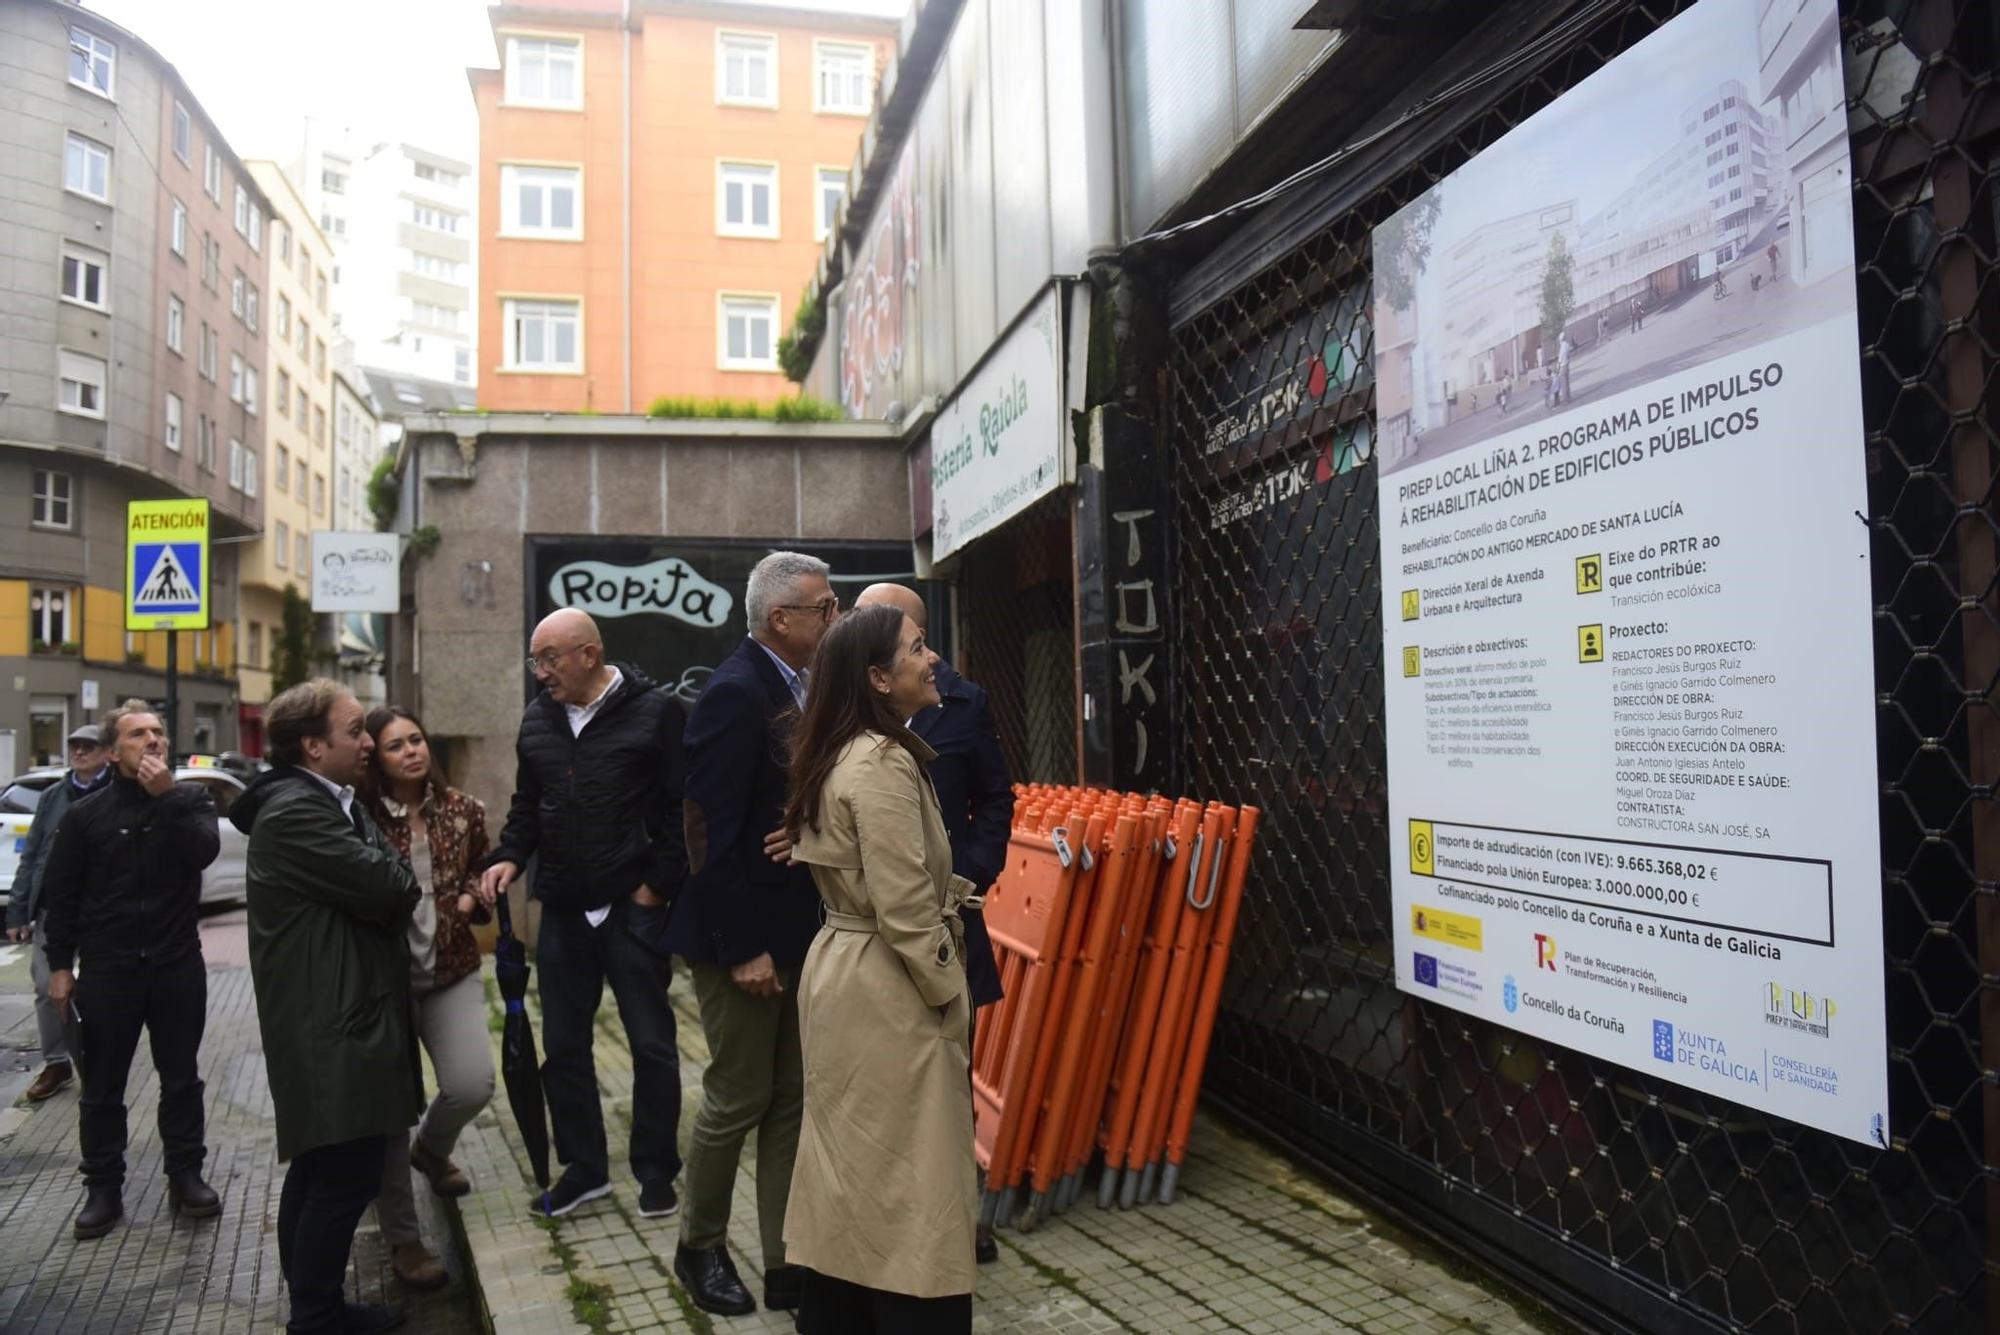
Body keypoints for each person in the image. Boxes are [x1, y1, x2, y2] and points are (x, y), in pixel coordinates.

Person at [783, 603, 979, 1332]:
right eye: (918, 647)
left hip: (846, 973)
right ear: (877, 676)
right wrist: (949, 998)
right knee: (913, 1193)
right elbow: (905, 908)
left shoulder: (842, 747)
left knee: (852, 1182)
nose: (932, 658)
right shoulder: (883, 762)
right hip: (887, 987)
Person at [668, 550, 838, 1318]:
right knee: (737, 1095)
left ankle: (786, 1259)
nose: (834, 617)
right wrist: (741, 947)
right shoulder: (735, 693)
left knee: (791, 1099)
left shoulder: (804, 684)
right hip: (740, 941)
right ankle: (698, 1245)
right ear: (781, 619)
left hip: (798, 933)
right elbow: (706, 829)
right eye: (824, 607)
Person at [479, 608, 686, 1221]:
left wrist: (655, 889)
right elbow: (527, 804)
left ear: (588, 656)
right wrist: (509, 855)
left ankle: (655, 1169)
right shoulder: (538, 719)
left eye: (549, 659)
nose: (540, 673)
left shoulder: (658, 713)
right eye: (535, 660)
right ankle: (586, 1169)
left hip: (632, 908)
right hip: (564, 909)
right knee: (564, 1047)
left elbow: (681, 811)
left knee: (652, 1045)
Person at [236, 679, 421, 1335]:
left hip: (337, 1016)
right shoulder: (297, 813)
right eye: (354, 731)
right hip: (331, 1024)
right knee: (340, 1175)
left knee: (320, 1170)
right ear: (314, 747)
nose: (369, 740)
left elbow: (384, 882)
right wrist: (383, 859)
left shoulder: (328, 801)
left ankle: (315, 1308)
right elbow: (395, 886)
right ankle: (315, 1316)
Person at [852, 583, 1013, 1265]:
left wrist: (971, 873)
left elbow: (997, 797)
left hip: (949, 921)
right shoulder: (847, 708)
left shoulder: (964, 702)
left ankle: (965, 1214)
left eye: (881, 625)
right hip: (874, 929)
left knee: (955, 1071)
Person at [41, 701, 221, 1241]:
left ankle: (186, 1175)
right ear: (114, 751)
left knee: (182, 1078)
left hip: (175, 965)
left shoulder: (190, 801)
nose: (152, 741)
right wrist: (59, 966)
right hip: (109, 969)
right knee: (102, 1086)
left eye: (159, 732)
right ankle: (102, 1188)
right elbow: (63, 894)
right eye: (138, 734)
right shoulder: (84, 816)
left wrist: (167, 796)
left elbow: (202, 852)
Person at [363, 705, 498, 1292]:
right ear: (375, 758)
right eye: (395, 746)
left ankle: (433, 1149)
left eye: (416, 740)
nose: (412, 752)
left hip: (451, 968)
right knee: (389, 1114)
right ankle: (403, 1238)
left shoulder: (465, 810)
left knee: (472, 1083)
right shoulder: (359, 818)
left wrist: (473, 897)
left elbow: (482, 868)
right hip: (383, 984)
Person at [5, 723, 110, 1103]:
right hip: (54, 908)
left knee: (101, 989)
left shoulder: (116, 792)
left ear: (105, 752)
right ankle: (56, 1062)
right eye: (74, 746)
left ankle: (97, 1062)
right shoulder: (52, 797)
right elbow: (31, 856)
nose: (79, 752)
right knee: (47, 986)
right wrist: (18, 912)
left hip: (100, 911)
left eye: (88, 746)